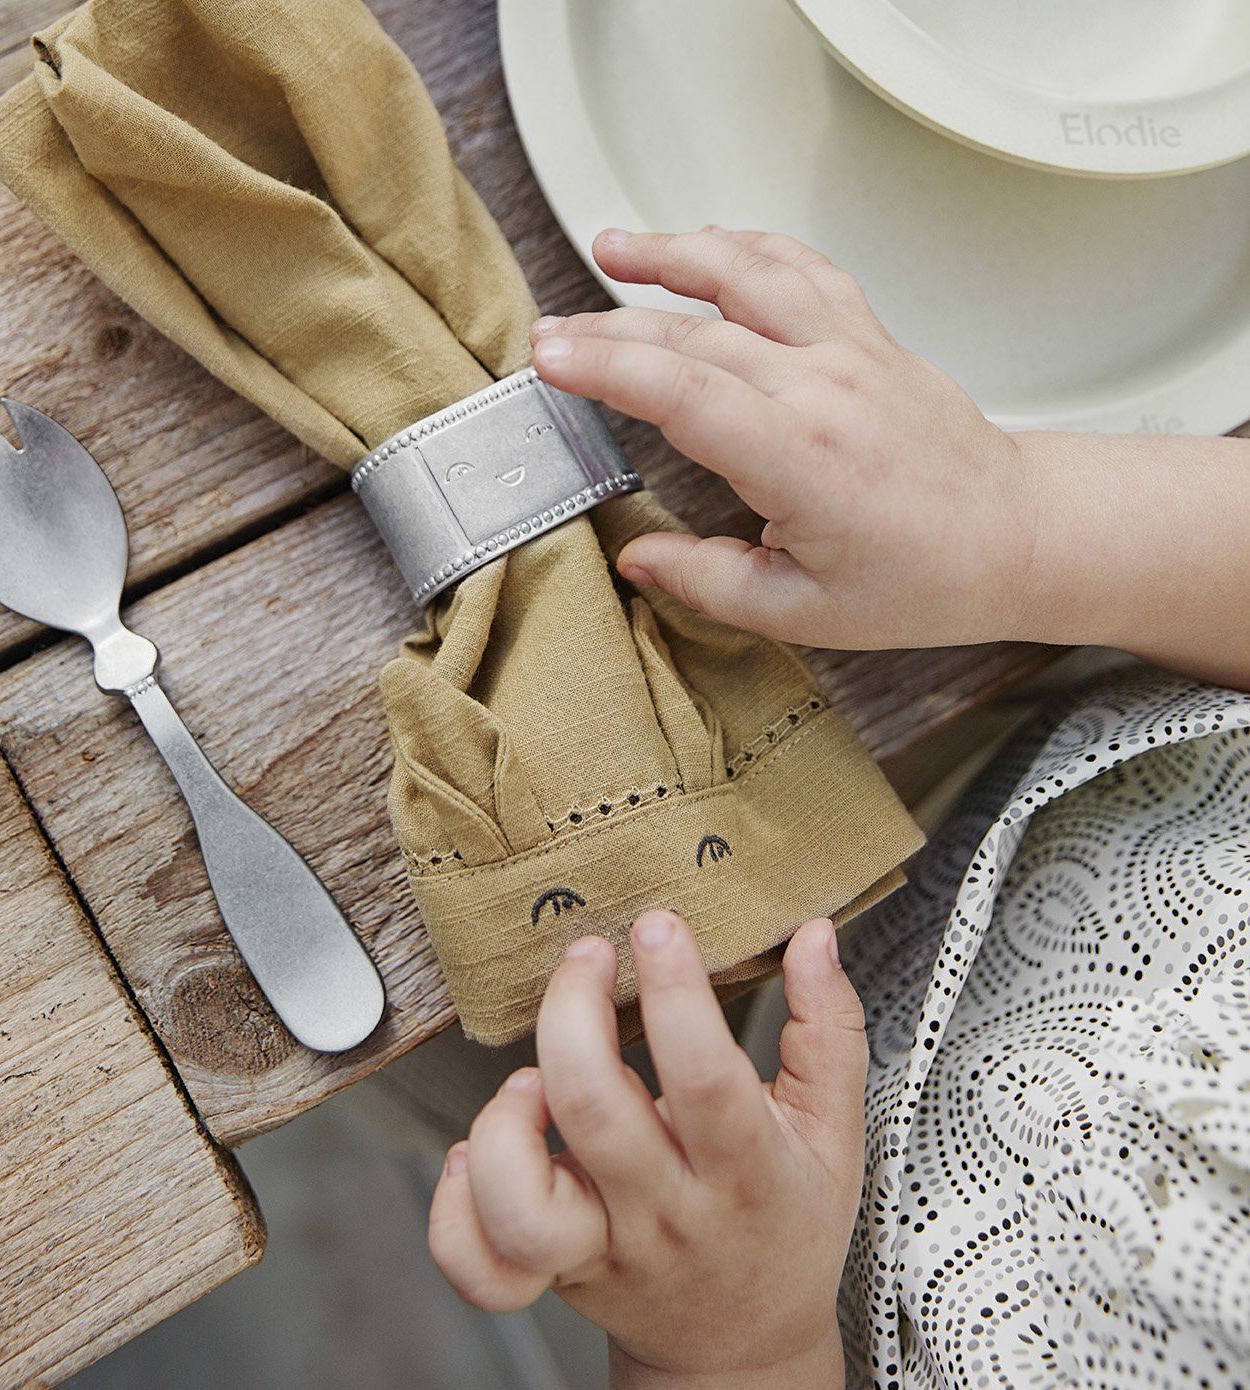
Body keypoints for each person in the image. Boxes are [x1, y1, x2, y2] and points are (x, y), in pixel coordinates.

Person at [426, 228, 1250, 1388]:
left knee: (454, 1107)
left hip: (713, 1224)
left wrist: (730, 1344)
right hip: (1033, 686)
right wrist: (1019, 522)